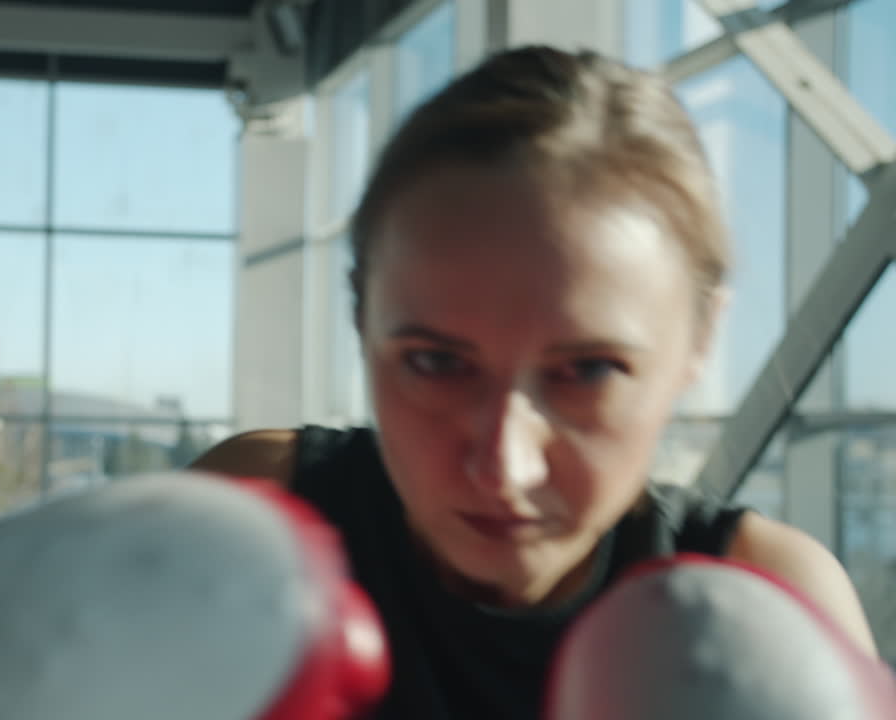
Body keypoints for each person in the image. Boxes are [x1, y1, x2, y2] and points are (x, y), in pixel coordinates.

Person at [192, 45, 880, 719]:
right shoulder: (246, 516)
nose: (504, 468)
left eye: (587, 371)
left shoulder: (780, 603)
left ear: (699, 340)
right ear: (360, 317)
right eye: (436, 362)